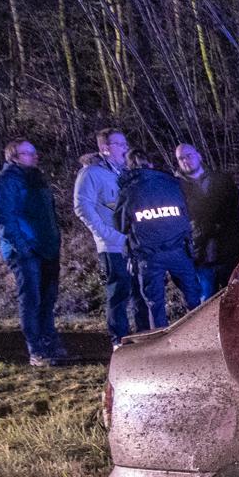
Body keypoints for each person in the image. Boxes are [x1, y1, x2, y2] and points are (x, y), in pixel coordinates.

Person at [0, 139, 69, 366]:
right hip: (26, 250)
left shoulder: (37, 179)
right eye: (28, 153)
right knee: (31, 299)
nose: (35, 156)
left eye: (34, 152)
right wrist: (21, 246)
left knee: (47, 298)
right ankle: (37, 349)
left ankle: (49, 341)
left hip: (47, 247)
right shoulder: (6, 181)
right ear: (13, 156)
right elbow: (2, 216)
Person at [73, 127, 151, 344]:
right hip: (113, 246)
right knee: (119, 293)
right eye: (120, 144)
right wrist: (106, 235)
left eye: (126, 144)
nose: (125, 149)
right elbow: (82, 207)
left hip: (134, 243)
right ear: (105, 148)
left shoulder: (123, 173)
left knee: (140, 292)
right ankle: (119, 340)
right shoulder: (90, 174)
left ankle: (144, 337)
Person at [114, 159, 205, 330]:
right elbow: (188, 212)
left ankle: (160, 342)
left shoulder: (129, 191)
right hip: (179, 250)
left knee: (155, 303)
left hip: (148, 256)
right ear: (151, 167)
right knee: (193, 296)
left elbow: (120, 225)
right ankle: (197, 333)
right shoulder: (172, 184)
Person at [174, 142, 239, 295]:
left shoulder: (221, 180)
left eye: (189, 155)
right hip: (200, 255)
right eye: (181, 158)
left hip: (228, 252)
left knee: (236, 297)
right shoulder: (176, 188)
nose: (186, 160)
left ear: (198, 156)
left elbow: (235, 212)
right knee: (206, 300)